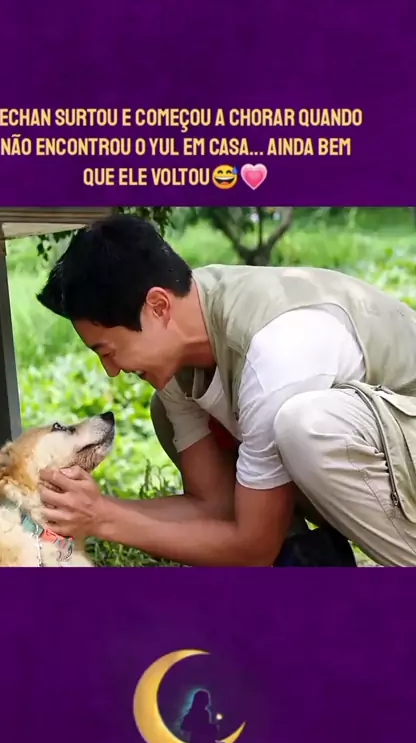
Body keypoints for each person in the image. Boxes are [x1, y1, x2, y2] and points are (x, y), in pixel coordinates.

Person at [36, 212, 416, 567]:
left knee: (304, 427)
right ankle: (311, 579)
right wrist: (94, 508)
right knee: (165, 411)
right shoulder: (182, 330)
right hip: (373, 464)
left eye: (108, 351)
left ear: (158, 306)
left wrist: (104, 519)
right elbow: (215, 508)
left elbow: (254, 547)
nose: (112, 370)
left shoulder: (275, 350)